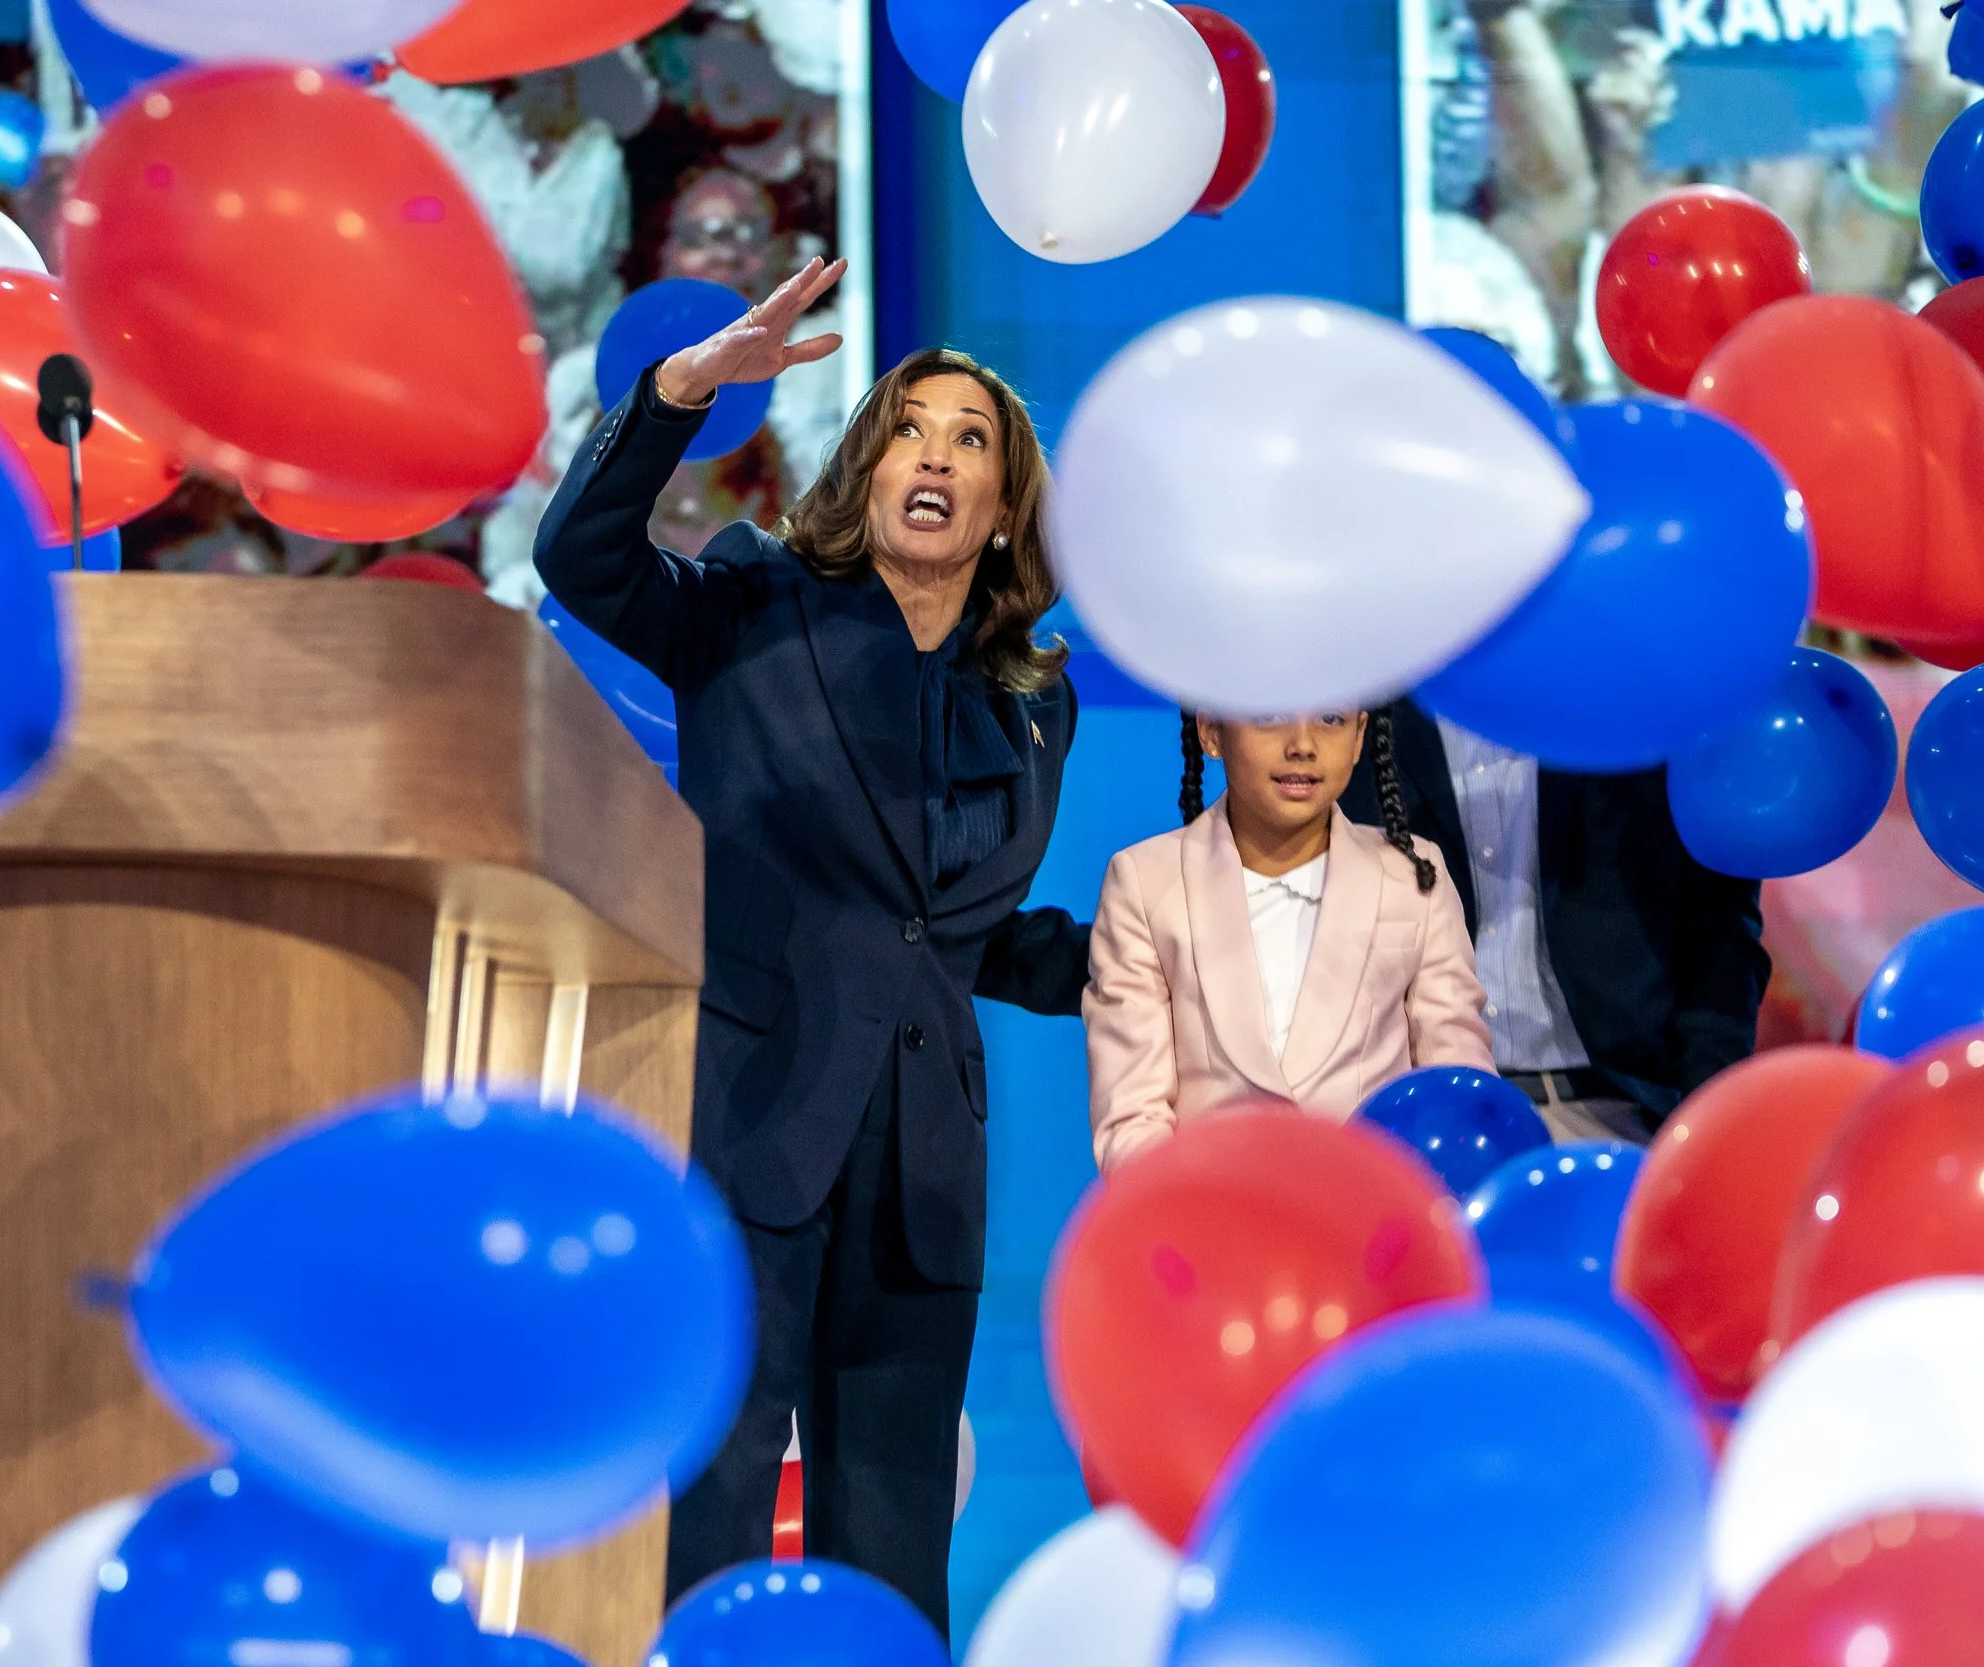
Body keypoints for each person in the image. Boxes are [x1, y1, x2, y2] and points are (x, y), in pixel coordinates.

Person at [532, 256, 1089, 1634]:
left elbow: (955, 926)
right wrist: (675, 397)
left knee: (894, 1535)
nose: (938, 456)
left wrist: (1145, 944)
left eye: (973, 443)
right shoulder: (749, 606)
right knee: (710, 1505)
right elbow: (577, 560)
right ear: (865, 462)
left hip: (922, 1164)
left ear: (1005, 508)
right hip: (750, 1124)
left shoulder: (1031, 701)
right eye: (912, 425)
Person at [1085, 710, 1492, 1174]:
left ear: (1360, 736)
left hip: (1375, 1225)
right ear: (1212, 729)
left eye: (1331, 719)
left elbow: (1457, 1084)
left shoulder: (1414, 875)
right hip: (1211, 1224)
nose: (1302, 744)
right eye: (1268, 716)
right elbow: (1132, 1114)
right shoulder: (1145, 882)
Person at [1338, 706, 1768, 1141]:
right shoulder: (1357, 707)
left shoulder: (1637, 702)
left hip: (1619, 1110)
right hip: (1415, 1118)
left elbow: (1720, 928)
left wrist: (1706, 1117)